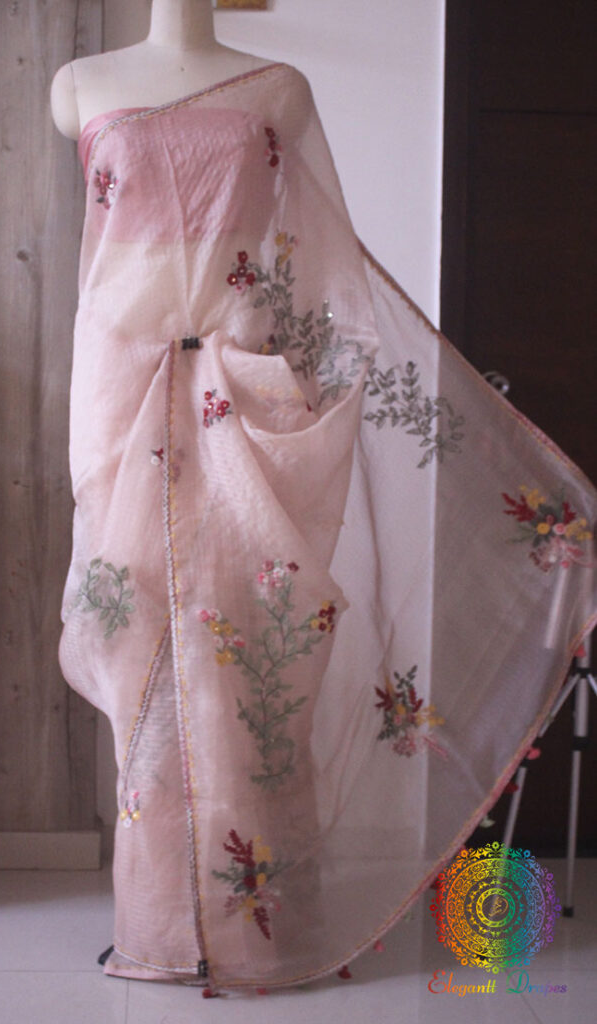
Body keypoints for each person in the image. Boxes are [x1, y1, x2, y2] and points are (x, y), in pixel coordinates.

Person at [52, 0, 596, 993]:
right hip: (118, 387)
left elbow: (323, 260)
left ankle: (256, 926)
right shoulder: (77, 85)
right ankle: (160, 921)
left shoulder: (278, 89)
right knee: (139, 646)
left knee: (259, 637)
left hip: (246, 385)